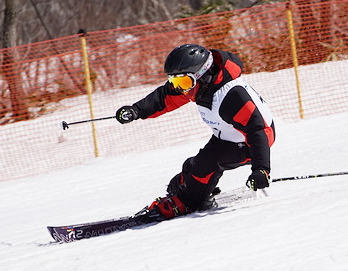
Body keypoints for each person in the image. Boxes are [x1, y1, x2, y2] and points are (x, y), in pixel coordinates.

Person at [115, 44, 275, 222]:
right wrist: (136, 111)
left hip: (251, 143)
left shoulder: (231, 95)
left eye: (183, 82)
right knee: (191, 166)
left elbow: (258, 130)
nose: (181, 89)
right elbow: (164, 97)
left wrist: (261, 170)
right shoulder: (197, 87)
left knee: (207, 164)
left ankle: (189, 201)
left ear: (203, 75)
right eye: (176, 82)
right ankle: (198, 190)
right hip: (226, 137)